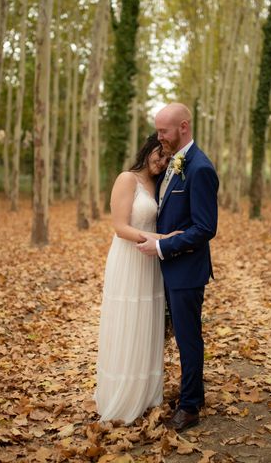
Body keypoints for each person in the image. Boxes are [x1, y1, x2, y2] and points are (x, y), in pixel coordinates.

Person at [137, 103, 219, 432]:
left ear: (183, 127)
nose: (159, 137)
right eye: (157, 130)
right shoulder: (174, 162)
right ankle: (193, 394)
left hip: (186, 270)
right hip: (169, 269)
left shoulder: (200, 168)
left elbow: (204, 228)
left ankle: (189, 408)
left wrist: (161, 246)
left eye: (164, 131)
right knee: (183, 336)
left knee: (188, 338)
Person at [95, 133, 180, 424]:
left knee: (147, 322)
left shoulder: (158, 184)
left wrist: (160, 244)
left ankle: (145, 394)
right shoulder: (126, 179)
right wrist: (163, 239)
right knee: (127, 321)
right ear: (148, 149)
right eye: (160, 154)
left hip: (150, 262)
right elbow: (120, 227)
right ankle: (122, 397)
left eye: (168, 158)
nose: (162, 162)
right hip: (128, 259)